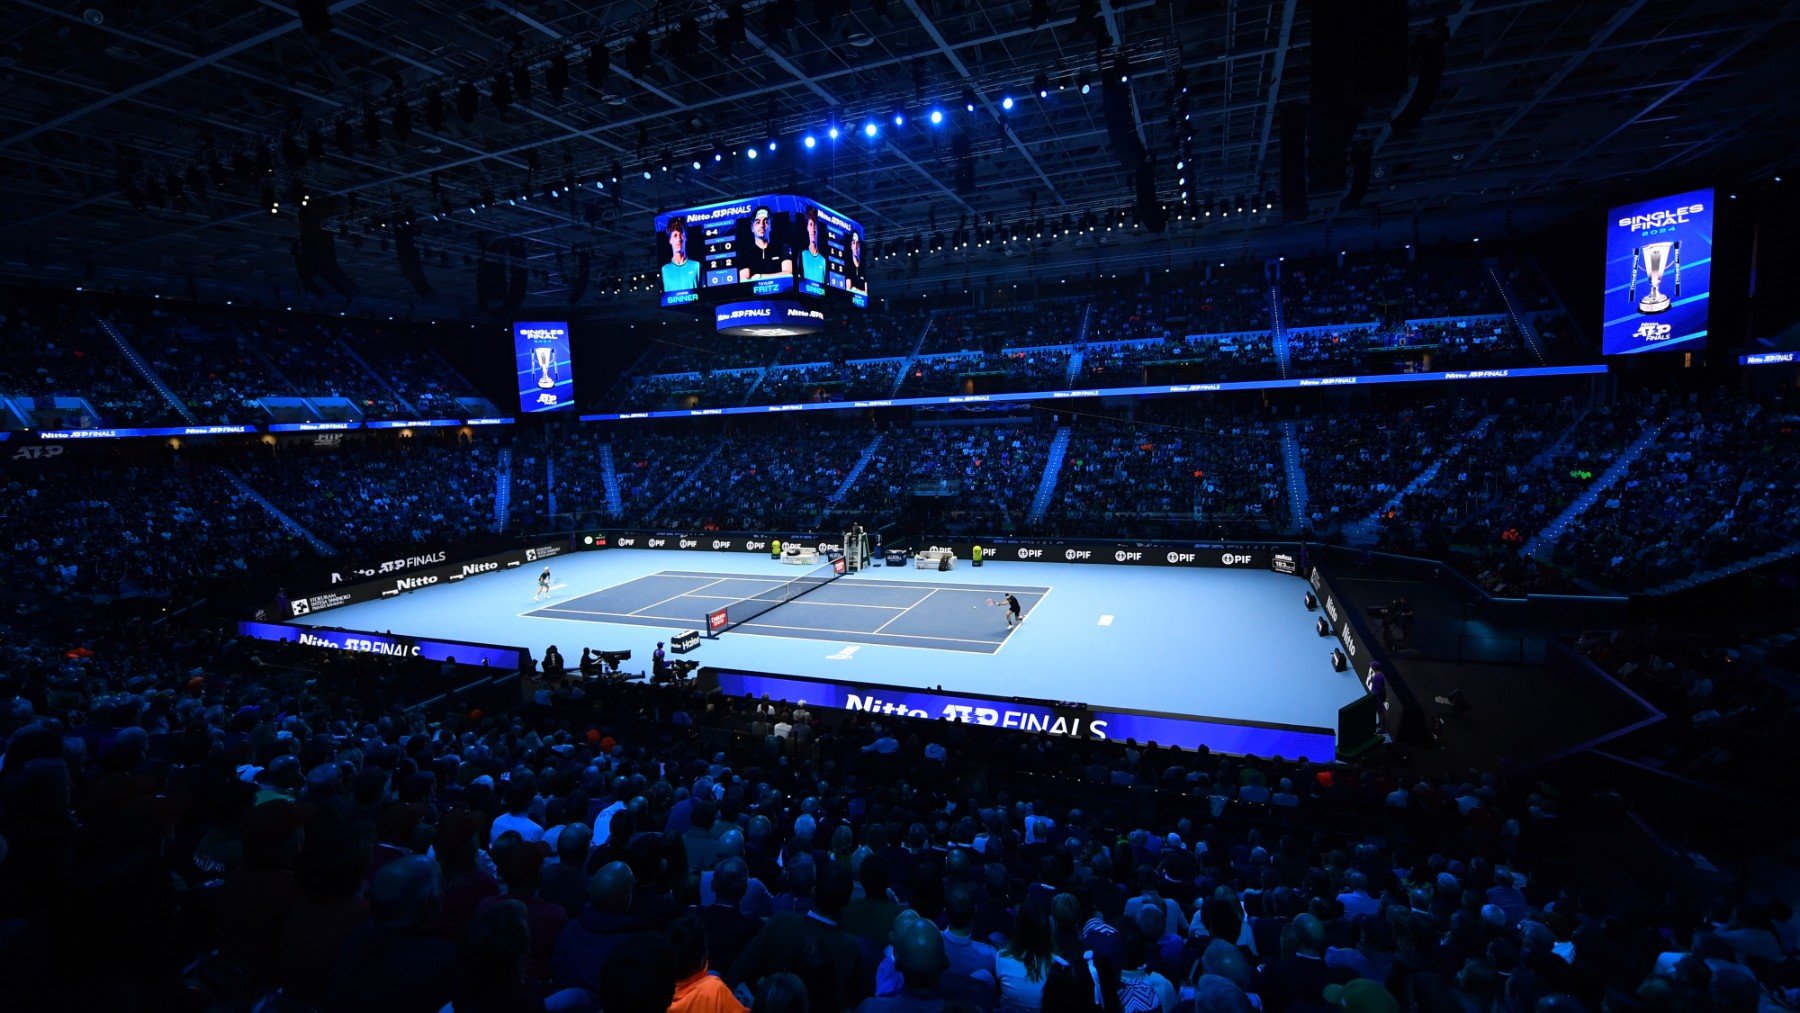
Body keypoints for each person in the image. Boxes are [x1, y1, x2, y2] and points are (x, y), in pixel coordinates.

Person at [738, 206, 792, 281]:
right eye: (758, 222)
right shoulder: (745, 253)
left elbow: (788, 273)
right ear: (752, 228)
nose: (762, 225)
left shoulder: (782, 247)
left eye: (766, 221)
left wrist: (760, 276)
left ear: (771, 226)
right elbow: (744, 280)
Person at [663, 217, 701, 292]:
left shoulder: (697, 266)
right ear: (670, 240)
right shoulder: (664, 270)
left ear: (686, 238)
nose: (679, 239)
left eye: (681, 235)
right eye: (675, 235)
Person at [799, 208, 828, 284]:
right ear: (807, 228)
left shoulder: (823, 260)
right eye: (811, 225)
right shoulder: (802, 254)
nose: (813, 229)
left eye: (815, 225)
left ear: (818, 229)